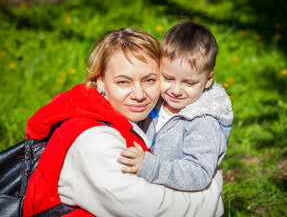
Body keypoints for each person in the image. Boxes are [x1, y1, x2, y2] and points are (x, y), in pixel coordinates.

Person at [22, 27, 224, 217]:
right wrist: (212, 189)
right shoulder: (93, 140)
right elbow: (150, 209)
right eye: (123, 82)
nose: (138, 94)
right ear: (100, 80)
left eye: (150, 80)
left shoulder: (127, 118)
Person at [118, 21, 233, 191]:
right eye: (169, 78)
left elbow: (199, 173)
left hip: (181, 203)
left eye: (189, 83)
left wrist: (151, 167)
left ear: (208, 80)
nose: (177, 90)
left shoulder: (203, 123)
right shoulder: (155, 103)